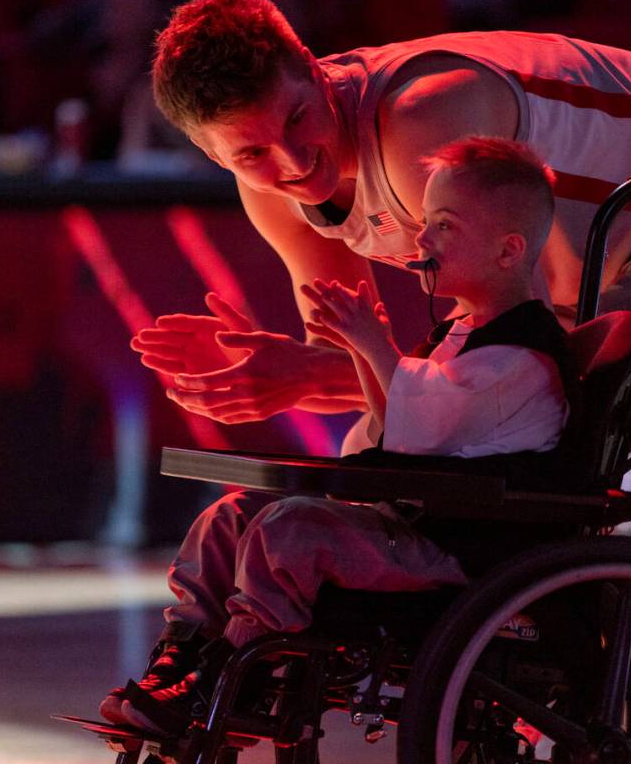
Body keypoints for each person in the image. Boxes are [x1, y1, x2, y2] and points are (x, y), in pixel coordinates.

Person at [131, 0, 631, 472]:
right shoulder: (275, 199)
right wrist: (277, 372)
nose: (291, 162)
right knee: (443, 442)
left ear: (316, 72)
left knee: (596, 428)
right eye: (251, 154)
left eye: (296, 118)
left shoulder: (421, 123)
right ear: (213, 158)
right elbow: (375, 378)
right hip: (602, 249)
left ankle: (593, 650)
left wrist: (305, 376)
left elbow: (514, 363)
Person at [101, 137, 570, 733]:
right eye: (426, 223)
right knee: (231, 517)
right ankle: (183, 654)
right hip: (417, 524)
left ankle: (234, 676)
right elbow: (396, 422)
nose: (422, 241)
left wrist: (373, 345)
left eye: (444, 226)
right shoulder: (460, 334)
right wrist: (364, 349)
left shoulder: (520, 355)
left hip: (464, 549)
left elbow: (415, 436)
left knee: (291, 530)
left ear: (509, 251)